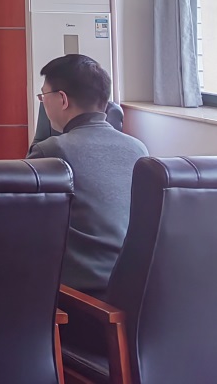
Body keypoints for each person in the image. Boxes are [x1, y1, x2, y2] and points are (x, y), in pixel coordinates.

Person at [27, 54, 148, 294]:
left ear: (62, 99)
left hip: (79, 294)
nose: (43, 103)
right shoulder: (138, 148)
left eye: (43, 96)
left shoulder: (52, 151)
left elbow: (18, 222)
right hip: (132, 289)